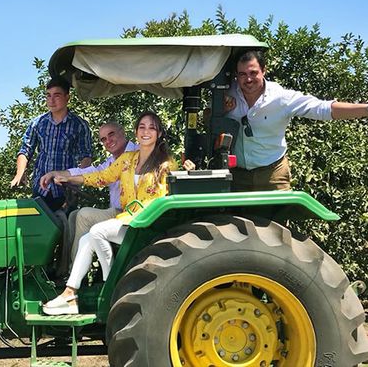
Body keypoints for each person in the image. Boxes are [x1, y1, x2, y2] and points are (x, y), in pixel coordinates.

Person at [41, 112, 195, 315]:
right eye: (142, 127)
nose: (146, 131)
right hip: (129, 221)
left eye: (151, 127)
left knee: (97, 231)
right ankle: (70, 293)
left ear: (158, 133)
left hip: (148, 224)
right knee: (87, 238)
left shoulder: (166, 164)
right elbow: (99, 176)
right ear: (136, 132)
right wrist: (67, 177)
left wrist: (189, 170)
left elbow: (176, 188)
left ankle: (111, 286)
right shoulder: (127, 160)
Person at [225, 50, 368, 191]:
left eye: (253, 73)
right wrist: (221, 110)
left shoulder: (281, 98)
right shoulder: (227, 93)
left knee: (280, 214)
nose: (248, 79)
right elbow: (208, 119)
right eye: (242, 74)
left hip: (273, 175)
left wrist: (365, 109)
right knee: (233, 215)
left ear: (264, 70)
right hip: (237, 176)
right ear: (236, 75)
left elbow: (322, 108)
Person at [40, 122, 138, 272]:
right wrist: (56, 174)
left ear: (123, 132)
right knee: (73, 216)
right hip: (119, 212)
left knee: (84, 215)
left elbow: (99, 177)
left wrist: (70, 178)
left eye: (111, 134)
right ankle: (63, 269)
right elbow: (93, 171)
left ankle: (75, 275)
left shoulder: (137, 154)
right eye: (103, 139)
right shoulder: (112, 162)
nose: (108, 141)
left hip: (133, 214)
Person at [11, 78, 92, 211]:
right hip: (40, 190)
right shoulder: (37, 123)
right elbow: (25, 150)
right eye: (48, 95)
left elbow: (86, 157)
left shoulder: (79, 125)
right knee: (41, 230)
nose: (51, 100)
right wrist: (19, 173)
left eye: (57, 95)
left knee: (66, 229)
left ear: (67, 97)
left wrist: (77, 183)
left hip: (66, 191)